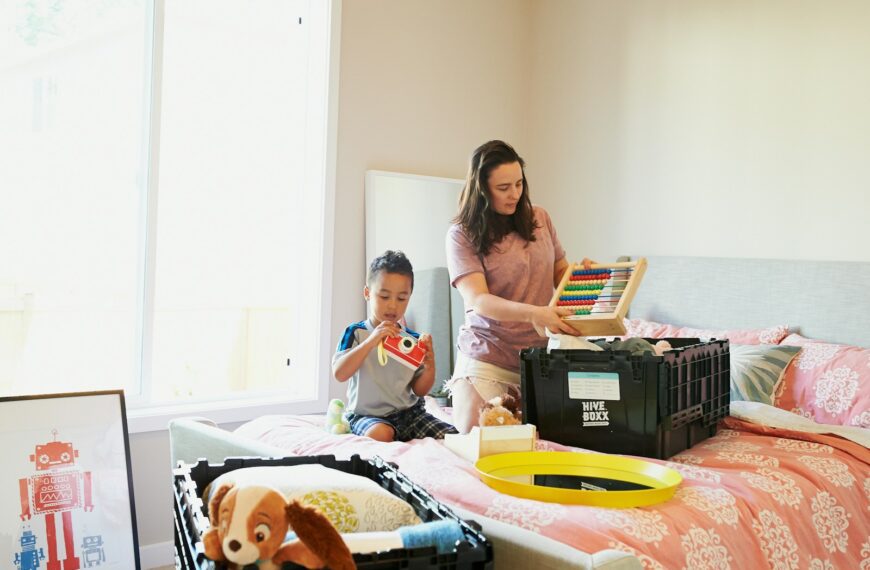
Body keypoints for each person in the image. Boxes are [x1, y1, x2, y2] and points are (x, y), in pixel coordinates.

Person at [445, 140, 588, 434]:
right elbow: (479, 300)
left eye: (519, 183)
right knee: (475, 430)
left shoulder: (539, 218)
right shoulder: (461, 235)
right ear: (482, 189)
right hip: (489, 353)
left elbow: (559, 271)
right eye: (503, 188)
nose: (515, 194)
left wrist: (582, 276)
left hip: (538, 359)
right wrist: (535, 313)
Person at [333, 250, 458, 442]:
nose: (392, 306)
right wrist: (372, 341)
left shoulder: (412, 340)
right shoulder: (356, 332)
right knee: (381, 434)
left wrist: (430, 366)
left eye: (401, 298)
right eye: (384, 297)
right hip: (367, 416)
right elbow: (340, 373)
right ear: (367, 293)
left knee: (454, 437)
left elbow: (419, 391)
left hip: (410, 414)